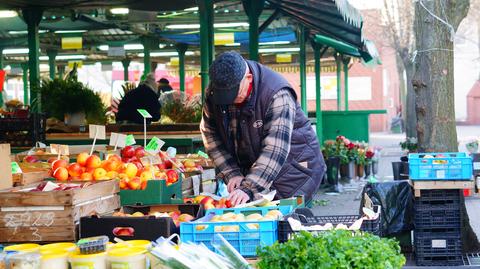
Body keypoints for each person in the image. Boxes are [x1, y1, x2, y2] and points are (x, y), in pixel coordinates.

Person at [200, 51, 326, 206]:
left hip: (293, 174)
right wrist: (231, 172)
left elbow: (275, 149)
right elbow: (210, 135)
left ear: (248, 78)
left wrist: (248, 188)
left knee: (287, 224)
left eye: (235, 94)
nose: (231, 101)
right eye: (225, 96)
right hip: (256, 174)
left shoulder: (278, 94)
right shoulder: (214, 92)